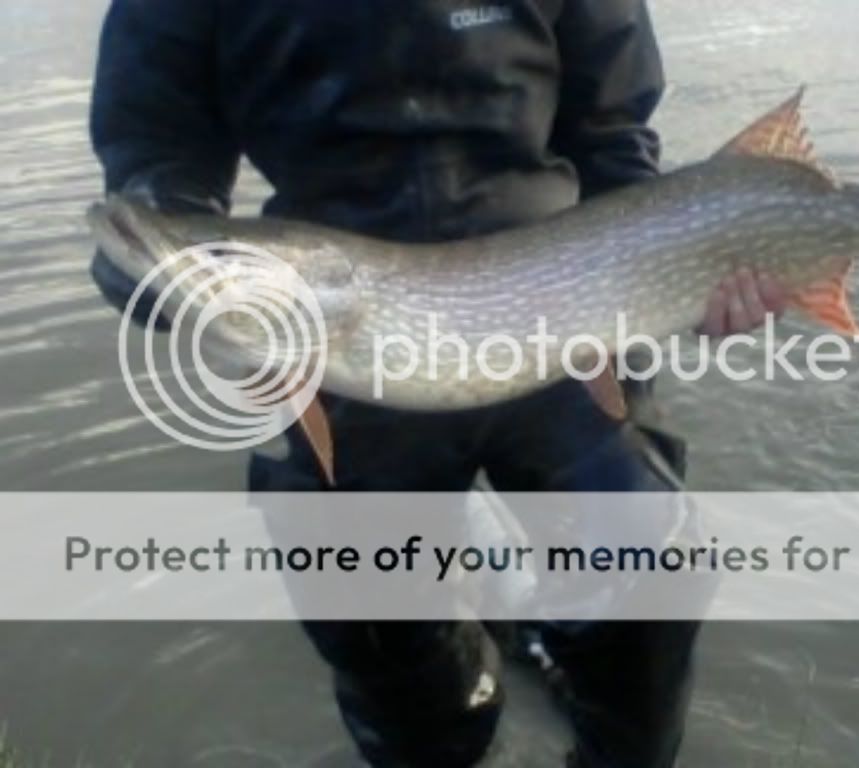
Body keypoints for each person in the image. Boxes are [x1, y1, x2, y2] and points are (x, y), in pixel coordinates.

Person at [89, 1, 785, 766]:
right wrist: (196, 293)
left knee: (650, 579)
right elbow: (154, 164)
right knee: (386, 653)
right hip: (340, 345)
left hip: (558, 317)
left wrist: (689, 276)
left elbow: (613, 142)